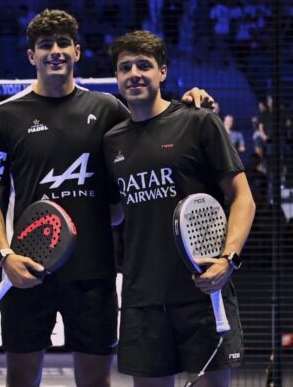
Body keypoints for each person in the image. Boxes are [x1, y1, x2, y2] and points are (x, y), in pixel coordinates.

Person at [0, 9, 215, 387]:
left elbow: (155, 127)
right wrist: (6, 255)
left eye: (63, 43)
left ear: (77, 51)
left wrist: (188, 105)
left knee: (95, 382)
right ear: (31, 56)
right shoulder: (5, 115)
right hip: (27, 270)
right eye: (45, 45)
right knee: (20, 380)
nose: (55, 51)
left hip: (94, 271)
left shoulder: (108, 109)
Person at [103, 30, 255, 387]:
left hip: (202, 291)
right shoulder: (112, 141)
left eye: (144, 65)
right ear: (117, 77)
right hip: (142, 297)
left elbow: (243, 198)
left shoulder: (198, 121)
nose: (134, 74)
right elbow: (115, 213)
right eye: (125, 67)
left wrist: (228, 260)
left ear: (163, 72)